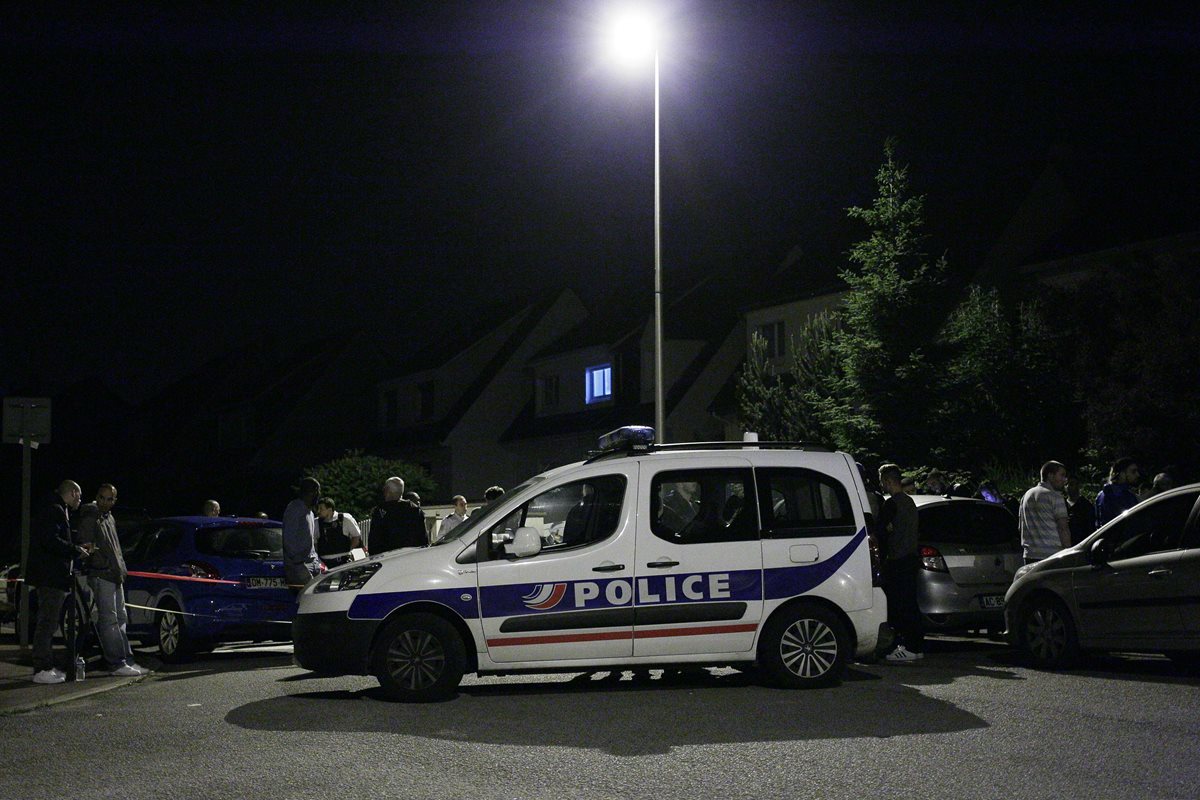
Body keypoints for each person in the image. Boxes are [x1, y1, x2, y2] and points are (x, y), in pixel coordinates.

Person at [77, 484, 149, 676]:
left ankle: (125, 661)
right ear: (97, 496)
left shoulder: (109, 517)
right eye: (102, 498)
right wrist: (101, 563)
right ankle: (117, 663)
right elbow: (85, 546)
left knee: (120, 618)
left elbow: (115, 547)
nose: (105, 502)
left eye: (109, 499)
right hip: (103, 575)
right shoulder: (91, 516)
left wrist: (120, 568)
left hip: (114, 574)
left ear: (114, 501)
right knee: (109, 620)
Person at [27, 480, 90, 684]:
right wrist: (74, 550)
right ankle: (41, 668)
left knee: (49, 621)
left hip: (51, 576)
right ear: (72, 493)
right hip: (50, 576)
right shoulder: (54, 510)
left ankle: (45, 666)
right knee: (47, 622)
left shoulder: (55, 508)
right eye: (79, 495)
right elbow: (50, 540)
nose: (80, 500)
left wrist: (75, 546)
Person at [877, 464, 923, 663]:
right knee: (910, 604)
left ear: (887, 481)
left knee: (898, 606)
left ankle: (906, 647)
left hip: (897, 561)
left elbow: (879, 532)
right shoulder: (910, 502)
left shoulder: (891, 504)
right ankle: (915, 645)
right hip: (911, 559)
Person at [1018, 462, 1071, 564]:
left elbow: (1020, 527)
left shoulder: (1026, 495)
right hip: (1052, 556)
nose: (1065, 480)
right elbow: (1063, 528)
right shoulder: (1055, 496)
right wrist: (1069, 553)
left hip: (1029, 555)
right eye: (1062, 475)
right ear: (1050, 475)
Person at [282, 477, 323, 593]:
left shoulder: (308, 511)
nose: (319, 495)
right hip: (300, 566)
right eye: (318, 491)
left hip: (311, 564)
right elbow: (289, 539)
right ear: (312, 492)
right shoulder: (295, 509)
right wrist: (298, 562)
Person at [368, 476, 427, 553]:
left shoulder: (380, 511)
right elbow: (423, 539)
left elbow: (374, 541)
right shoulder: (415, 510)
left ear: (387, 490)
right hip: (411, 556)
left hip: (386, 559)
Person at [314, 497, 362, 566]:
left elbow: (356, 536)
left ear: (330, 510)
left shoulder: (345, 519)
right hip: (325, 564)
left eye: (321, 509)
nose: (318, 511)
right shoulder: (316, 523)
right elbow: (314, 543)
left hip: (344, 561)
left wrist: (348, 550)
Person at [1094, 457, 1141, 528]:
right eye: (1133, 471)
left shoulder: (1102, 494)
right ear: (1122, 474)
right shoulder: (1119, 495)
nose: (1137, 475)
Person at [1064, 477, 1096, 546]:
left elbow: (1091, 528)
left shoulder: (1086, 505)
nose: (1069, 487)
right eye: (1069, 484)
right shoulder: (1061, 505)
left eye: (1075, 484)